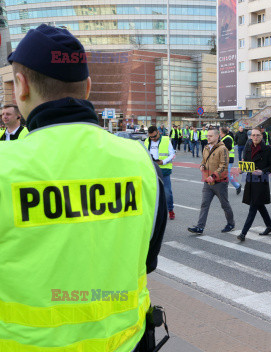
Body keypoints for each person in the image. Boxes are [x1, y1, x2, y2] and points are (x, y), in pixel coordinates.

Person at [3, 24, 167, 350]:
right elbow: (147, 259)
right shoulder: (139, 161)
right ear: (88, 87)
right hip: (127, 343)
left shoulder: (6, 166)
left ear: (21, 86)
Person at [188, 129, 235, 234]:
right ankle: (200, 227)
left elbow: (224, 165)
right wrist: (202, 165)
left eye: (210, 136)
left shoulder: (223, 149)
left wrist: (214, 176)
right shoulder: (206, 148)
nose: (208, 137)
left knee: (224, 204)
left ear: (217, 136)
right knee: (204, 204)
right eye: (207, 136)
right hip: (207, 182)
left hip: (220, 182)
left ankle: (231, 224)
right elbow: (204, 161)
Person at [237, 128, 271, 241]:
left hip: (261, 180)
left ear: (262, 136)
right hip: (250, 180)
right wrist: (241, 169)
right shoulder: (248, 147)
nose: (255, 137)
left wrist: (262, 171)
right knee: (259, 205)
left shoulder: (268, 149)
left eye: (257, 135)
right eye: (253, 135)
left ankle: (243, 233)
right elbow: (246, 163)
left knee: (253, 207)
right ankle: (270, 226)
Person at [145, 125, 176, 220]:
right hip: (151, 170)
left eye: (154, 136)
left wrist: (163, 161)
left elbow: (172, 154)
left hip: (164, 170)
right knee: (152, 193)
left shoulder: (166, 140)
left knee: (167, 193)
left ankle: (170, 210)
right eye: (151, 137)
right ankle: (155, 212)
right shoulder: (147, 141)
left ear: (158, 132)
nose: (153, 138)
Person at [220, 127, 242, 195]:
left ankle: (237, 186)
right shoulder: (224, 138)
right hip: (224, 158)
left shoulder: (228, 138)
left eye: (220, 132)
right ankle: (220, 189)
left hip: (229, 158)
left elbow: (228, 148)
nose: (219, 133)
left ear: (223, 132)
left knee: (227, 174)